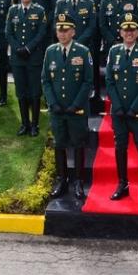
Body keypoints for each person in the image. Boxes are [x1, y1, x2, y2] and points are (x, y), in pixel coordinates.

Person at [43, 15, 95, 199]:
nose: (62, 34)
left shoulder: (83, 51)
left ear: (73, 32)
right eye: (59, 30)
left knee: (78, 144)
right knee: (60, 144)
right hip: (58, 110)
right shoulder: (50, 51)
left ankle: (78, 181)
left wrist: (76, 104)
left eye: (66, 30)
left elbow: (88, 81)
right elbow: (46, 80)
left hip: (76, 109)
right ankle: (61, 179)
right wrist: (53, 102)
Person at [105, 17, 138, 202]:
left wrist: (134, 107)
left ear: (137, 32)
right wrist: (117, 104)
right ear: (120, 32)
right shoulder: (114, 51)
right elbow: (109, 81)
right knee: (120, 147)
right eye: (125, 30)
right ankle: (122, 184)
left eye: (132, 30)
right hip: (119, 111)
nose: (129, 33)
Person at [7, 0, 48, 136]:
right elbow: (8, 32)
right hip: (18, 58)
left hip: (33, 57)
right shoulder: (13, 11)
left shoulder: (39, 11)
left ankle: (35, 124)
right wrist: (17, 48)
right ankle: (24, 123)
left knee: (35, 91)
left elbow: (41, 32)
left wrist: (28, 48)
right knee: (21, 91)